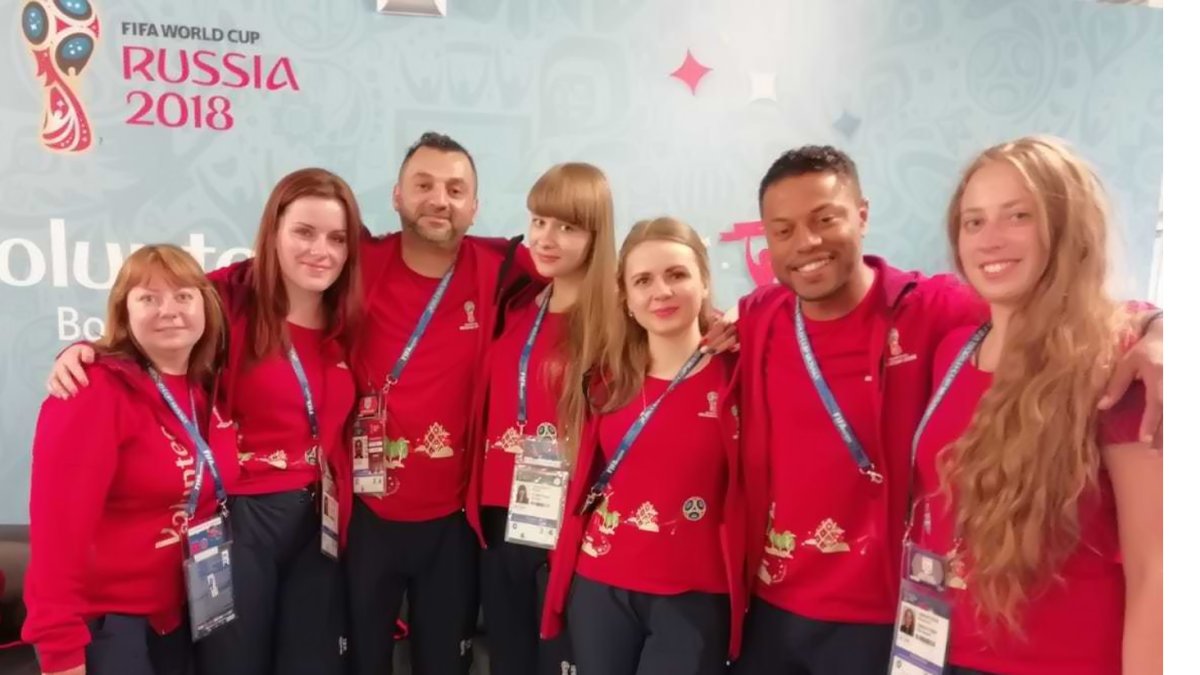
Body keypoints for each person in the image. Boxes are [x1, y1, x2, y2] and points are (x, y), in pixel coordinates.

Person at [729, 145, 1163, 674]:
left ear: (861, 215)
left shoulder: (933, 310)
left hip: (886, 618)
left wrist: (1158, 327)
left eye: (825, 219)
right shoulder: (761, 317)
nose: (807, 243)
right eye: (974, 222)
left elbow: (1077, 311)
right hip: (820, 615)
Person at [45, 168, 365, 675]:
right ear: (273, 233)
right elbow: (153, 317)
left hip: (317, 521)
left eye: (337, 238)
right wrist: (82, 350)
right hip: (239, 520)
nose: (319, 250)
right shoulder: (229, 298)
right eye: (304, 232)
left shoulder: (350, 318)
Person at [909, 136, 1161, 674]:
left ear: (1066, 230)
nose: (990, 240)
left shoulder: (1122, 367)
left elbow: (1157, 569)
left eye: (1017, 216)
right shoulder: (957, 350)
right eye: (973, 222)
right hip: (940, 652)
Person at [346, 132, 540, 675]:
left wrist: (708, 322)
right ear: (397, 196)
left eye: (456, 189)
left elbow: (592, 272)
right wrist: (110, 342)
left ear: (474, 207)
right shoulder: (358, 261)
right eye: (424, 185)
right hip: (365, 516)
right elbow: (255, 280)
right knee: (362, 663)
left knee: (443, 665)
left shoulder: (501, 266)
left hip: (453, 524)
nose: (440, 199)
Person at [542, 217, 747, 675]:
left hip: (694, 595)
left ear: (705, 281)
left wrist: (748, 318)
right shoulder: (603, 379)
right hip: (600, 587)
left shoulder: (740, 376)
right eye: (643, 280)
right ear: (626, 298)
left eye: (677, 274)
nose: (662, 292)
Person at [23, 245, 236, 675]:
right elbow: (55, 537)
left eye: (183, 295)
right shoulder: (92, 392)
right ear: (124, 312)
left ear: (206, 304)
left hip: (179, 620)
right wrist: (60, 654)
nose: (169, 310)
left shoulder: (205, 390)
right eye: (149, 298)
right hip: (107, 629)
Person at [467, 163, 616, 675]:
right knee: (509, 661)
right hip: (502, 513)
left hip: (570, 522)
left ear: (596, 235)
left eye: (567, 227)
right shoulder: (521, 306)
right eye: (538, 222)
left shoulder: (618, 321)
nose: (545, 239)